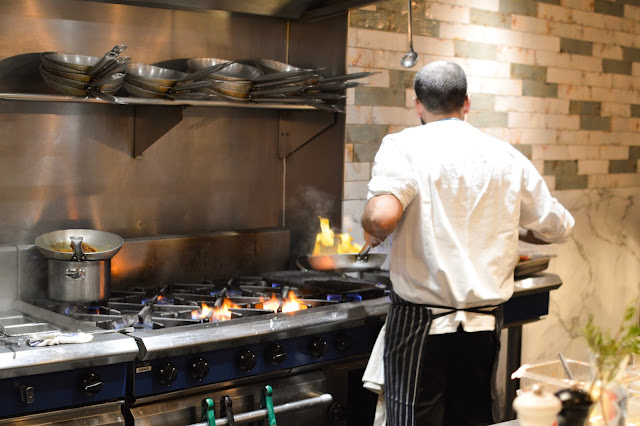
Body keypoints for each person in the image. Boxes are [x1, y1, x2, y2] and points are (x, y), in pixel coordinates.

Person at [360, 61, 575, 426]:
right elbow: (558, 227)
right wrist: (509, 227)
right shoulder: (505, 155)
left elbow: (381, 217)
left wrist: (372, 228)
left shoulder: (404, 146)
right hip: (482, 327)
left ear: (418, 104)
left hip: (422, 326)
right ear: (467, 103)